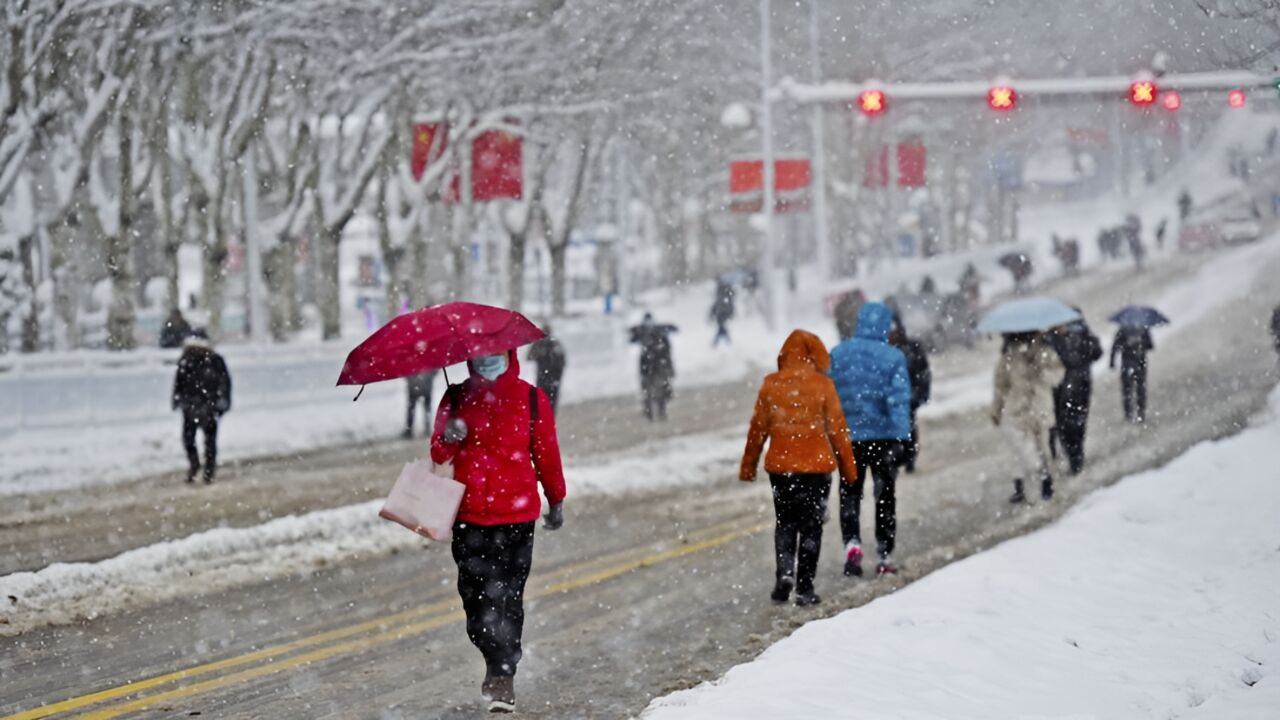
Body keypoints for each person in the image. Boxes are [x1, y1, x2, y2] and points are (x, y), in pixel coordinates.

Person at [430, 350, 566, 714]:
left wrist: (556, 499)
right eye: (480, 355)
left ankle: (501, 672)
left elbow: (547, 453)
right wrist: (450, 434)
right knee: (474, 599)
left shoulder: (532, 399)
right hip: (469, 517)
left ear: (510, 355)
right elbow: (438, 451)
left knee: (507, 596)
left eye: (495, 354)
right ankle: (494, 653)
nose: (487, 361)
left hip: (516, 518)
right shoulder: (456, 397)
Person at [740, 330, 858, 607]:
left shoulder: (771, 384)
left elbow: (758, 428)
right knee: (811, 526)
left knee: (785, 523)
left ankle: (785, 574)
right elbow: (838, 431)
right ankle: (805, 588)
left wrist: (749, 466)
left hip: (782, 469)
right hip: (816, 469)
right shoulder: (823, 386)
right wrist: (849, 471)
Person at [829, 302, 913, 577]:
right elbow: (899, 401)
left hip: (849, 439)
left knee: (849, 494)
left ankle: (852, 544)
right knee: (884, 496)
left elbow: (829, 398)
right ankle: (884, 553)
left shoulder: (838, 355)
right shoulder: (893, 357)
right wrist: (902, 436)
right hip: (884, 438)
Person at [992, 331, 1065, 503]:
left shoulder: (1045, 353)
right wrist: (996, 410)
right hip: (1016, 410)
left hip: (1040, 408)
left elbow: (1057, 377)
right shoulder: (1008, 358)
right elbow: (1000, 387)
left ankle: (1047, 484)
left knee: (1044, 449)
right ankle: (1022, 488)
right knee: (1020, 451)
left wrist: (1041, 370)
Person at [171, 329, 231, 484]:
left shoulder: (211, 360)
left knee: (199, 440)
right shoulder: (189, 360)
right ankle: (201, 467)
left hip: (204, 405)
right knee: (198, 440)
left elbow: (224, 383)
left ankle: (204, 469)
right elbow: (179, 383)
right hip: (197, 405)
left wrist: (222, 401)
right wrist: (178, 399)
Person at [1046, 317, 1103, 474]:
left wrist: (1088, 339)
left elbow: (1097, 353)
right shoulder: (1049, 340)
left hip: (1079, 387)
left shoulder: (1081, 336)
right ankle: (1072, 455)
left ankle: (1076, 456)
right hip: (1058, 389)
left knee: (1076, 423)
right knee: (1062, 424)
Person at [888, 317, 931, 474]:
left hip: (909, 397)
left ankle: (909, 457)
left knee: (910, 428)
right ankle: (897, 457)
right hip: (890, 400)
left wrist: (921, 394)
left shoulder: (913, 347)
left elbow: (923, 372)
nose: (891, 336)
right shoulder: (883, 350)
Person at [629, 313, 678, 421]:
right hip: (650, 367)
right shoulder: (653, 334)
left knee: (658, 391)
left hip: (655, 367)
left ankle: (656, 411)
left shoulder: (658, 335)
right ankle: (652, 412)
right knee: (652, 390)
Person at [1111, 326, 1154, 423]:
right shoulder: (1143, 329)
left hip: (1127, 364)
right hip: (1140, 363)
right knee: (1140, 389)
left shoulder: (1122, 330)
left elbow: (1115, 346)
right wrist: (1140, 344)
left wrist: (1112, 361)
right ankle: (1141, 412)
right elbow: (1150, 345)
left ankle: (1128, 413)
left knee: (1127, 389)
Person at [526, 325, 567, 415]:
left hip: (546, 377)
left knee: (545, 402)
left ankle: (546, 419)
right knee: (548, 402)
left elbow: (529, 357)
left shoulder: (550, 343)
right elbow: (529, 357)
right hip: (550, 378)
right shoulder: (552, 343)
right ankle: (548, 420)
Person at [402, 370, 437, 439]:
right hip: (424, 385)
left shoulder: (411, 362)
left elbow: (404, 372)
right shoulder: (428, 362)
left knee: (412, 408)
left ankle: (410, 429)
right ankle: (425, 428)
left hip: (416, 385)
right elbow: (435, 370)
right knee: (425, 408)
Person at [710, 280, 736, 346]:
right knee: (721, 327)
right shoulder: (728, 295)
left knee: (721, 326)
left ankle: (718, 340)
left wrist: (712, 313)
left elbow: (716, 305)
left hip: (720, 313)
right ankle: (724, 339)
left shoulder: (721, 295)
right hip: (723, 313)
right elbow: (730, 305)